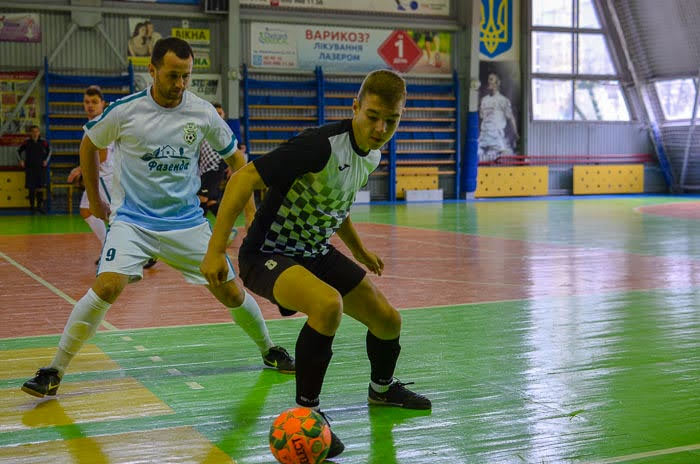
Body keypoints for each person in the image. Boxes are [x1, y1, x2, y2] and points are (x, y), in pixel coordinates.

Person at [21, 37, 294, 399]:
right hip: (133, 222)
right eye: (172, 76)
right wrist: (99, 199)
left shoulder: (201, 112)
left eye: (186, 77)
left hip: (187, 224)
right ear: (151, 71)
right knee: (107, 285)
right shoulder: (125, 111)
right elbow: (88, 144)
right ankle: (54, 370)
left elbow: (238, 161)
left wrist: (249, 211)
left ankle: (268, 349)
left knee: (229, 290)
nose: (180, 85)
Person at [201, 69, 432, 459]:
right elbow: (243, 177)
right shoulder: (320, 146)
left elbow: (334, 203)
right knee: (327, 306)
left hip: (313, 250)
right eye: (372, 116)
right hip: (268, 252)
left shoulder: (371, 154)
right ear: (354, 106)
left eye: (391, 121)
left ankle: (382, 389)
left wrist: (358, 251)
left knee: (388, 320)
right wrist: (214, 249)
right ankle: (309, 414)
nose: (380, 128)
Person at [67, 86, 157, 268]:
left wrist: (79, 170)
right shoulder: (93, 123)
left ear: (102, 104)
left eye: (94, 102)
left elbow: (101, 157)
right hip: (98, 177)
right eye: (87, 102)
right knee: (86, 210)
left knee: (118, 217)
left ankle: (146, 251)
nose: (90, 106)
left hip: (106, 178)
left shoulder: (100, 123)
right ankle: (108, 247)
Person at [198, 102, 255, 228]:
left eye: (220, 113)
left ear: (223, 115)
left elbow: (236, 151)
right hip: (204, 170)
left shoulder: (224, 130)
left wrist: (230, 166)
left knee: (202, 199)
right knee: (211, 202)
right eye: (216, 113)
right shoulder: (204, 128)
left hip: (214, 169)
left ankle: (198, 229)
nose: (218, 115)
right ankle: (228, 228)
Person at [478, 71, 519, 162]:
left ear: (498, 82)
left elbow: (511, 117)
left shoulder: (503, 100)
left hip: (497, 140)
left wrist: (516, 134)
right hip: (483, 139)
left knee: (502, 159)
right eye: (488, 79)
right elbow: (482, 117)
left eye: (491, 79)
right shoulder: (484, 100)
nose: (489, 82)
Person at [17, 125, 50, 213]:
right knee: (31, 188)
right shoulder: (26, 142)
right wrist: (21, 161)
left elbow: (49, 151)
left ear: (39, 132)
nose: (35, 133)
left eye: (36, 131)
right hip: (30, 168)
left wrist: (46, 160)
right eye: (33, 132)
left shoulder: (43, 142)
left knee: (40, 188)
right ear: (30, 133)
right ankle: (32, 207)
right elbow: (18, 151)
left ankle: (39, 207)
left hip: (40, 168)